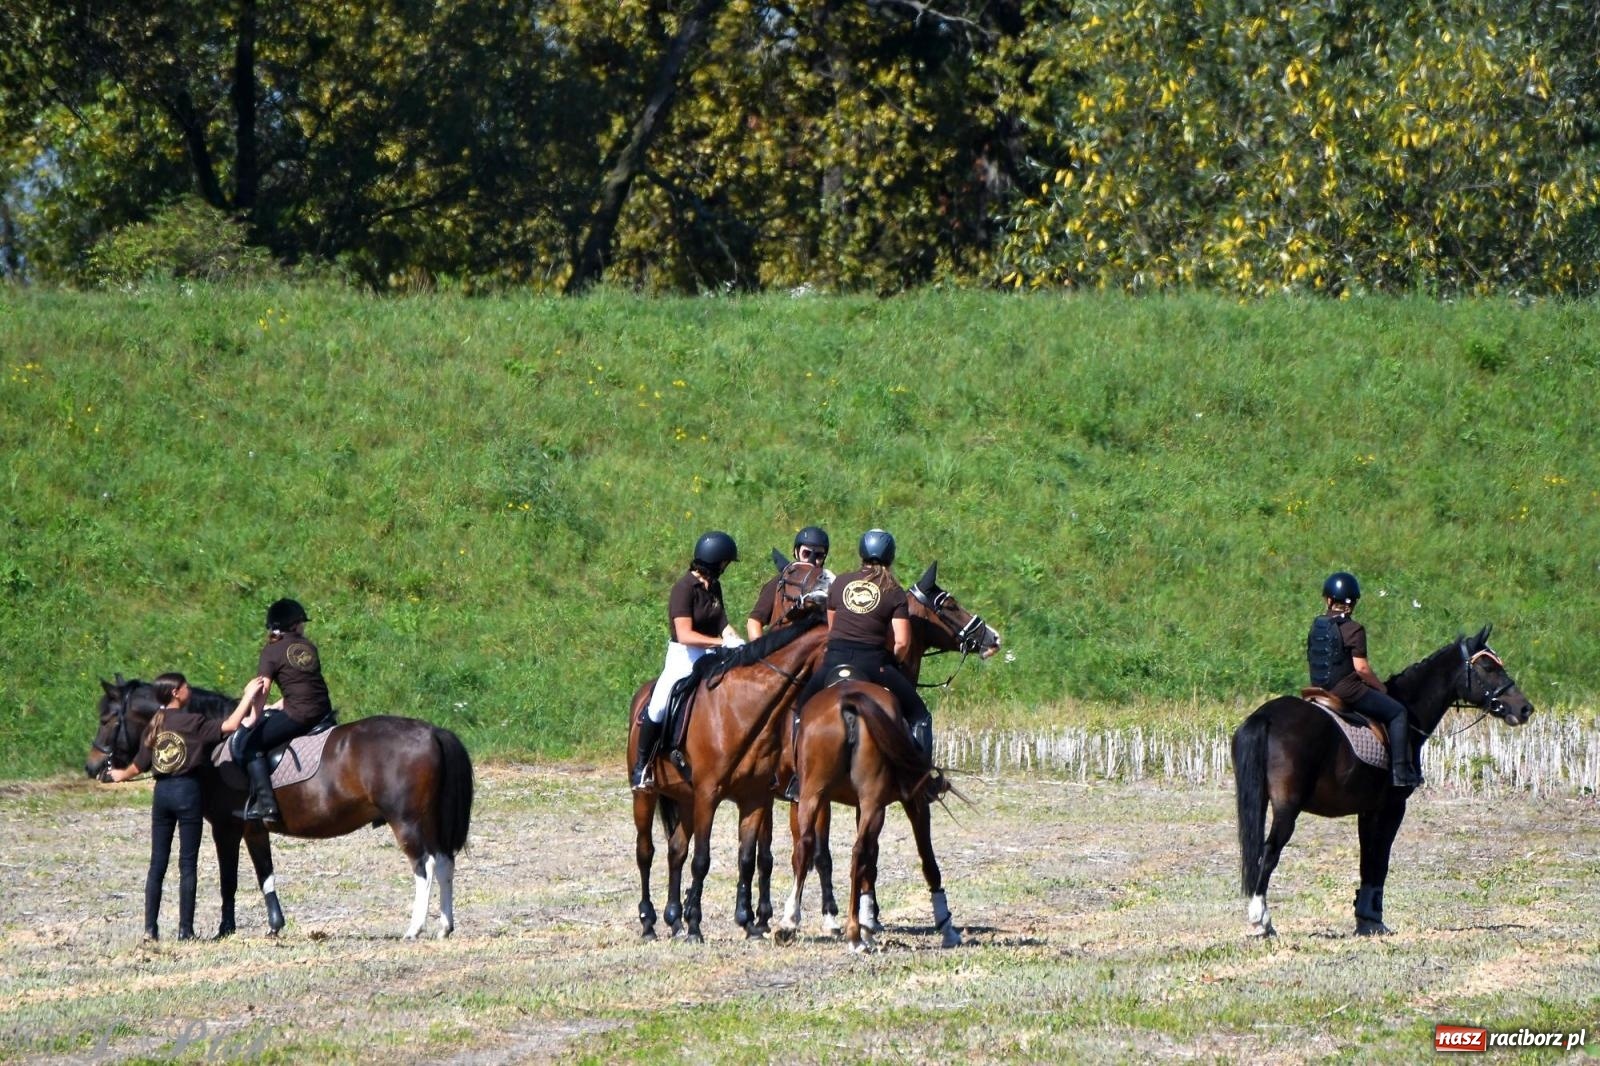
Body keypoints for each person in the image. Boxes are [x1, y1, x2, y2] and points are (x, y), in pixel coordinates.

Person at [104, 672, 263, 939]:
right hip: (188, 793)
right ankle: (185, 931)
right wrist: (248, 696)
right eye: (186, 686)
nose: (190, 689)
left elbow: (138, 765)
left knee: (157, 864)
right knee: (187, 864)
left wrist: (120, 775)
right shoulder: (193, 722)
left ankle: (150, 929)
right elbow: (231, 725)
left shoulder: (155, 723)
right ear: (176, 693)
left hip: (162, 795)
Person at [782, 528, 932, 801]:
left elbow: (832, 629)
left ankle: (797, 776)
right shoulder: (894, 591)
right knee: (920, 716)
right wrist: (893, 662)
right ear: (890, 556)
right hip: (874, 664)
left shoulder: (840, 583)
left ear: (861, 553)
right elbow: (901, 642)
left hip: (833, 662)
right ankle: (921, 781)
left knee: (800, 711)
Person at [631, 531, 746, 791]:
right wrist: (721, 643)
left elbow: (722, 624)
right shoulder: (683, 589)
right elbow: (685, 634)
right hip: (684, 656)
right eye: (725, 563)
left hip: (710, 654)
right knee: (659, 705)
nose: (725, 568)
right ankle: (642, 766)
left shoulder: (713, 587)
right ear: (715, 561)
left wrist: (737, 642)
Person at [1308, 571, 1423, 788]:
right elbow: (1361, 669)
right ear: (1353, 603)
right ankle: (1400, 772)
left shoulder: (1317, 625)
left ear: (1329, 600)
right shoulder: (1353, 629)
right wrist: (1381, 687)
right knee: (1398, 712)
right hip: (1346, 690)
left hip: (1319, 688)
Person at [237, 597, 337, 821]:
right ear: (294, 625)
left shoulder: (271, 651)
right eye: (302, 623)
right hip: (323, 710)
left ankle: (266, 804)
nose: (303, 627)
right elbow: (301, 684)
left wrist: (253, 718)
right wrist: (277, 705)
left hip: (300, 715)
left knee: (251, 745)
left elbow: (262, 689)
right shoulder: (308, 646)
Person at [746, 525, 835, 640]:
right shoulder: (780, 582)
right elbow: (754, 622)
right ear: (796, 552)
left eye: (818, 556)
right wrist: (759, 648)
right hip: (779, 646)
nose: (811, 561)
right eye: (806, 553)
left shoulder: (828, 585)